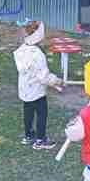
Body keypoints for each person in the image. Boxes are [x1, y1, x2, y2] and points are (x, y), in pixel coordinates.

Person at [14, 20, 63, 150]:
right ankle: (40, 140)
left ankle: (28, 136)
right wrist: (57, 81)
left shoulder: (21, 50)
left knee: (28, 112)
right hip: (37, 91)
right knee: (42, 114)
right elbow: (44, 77)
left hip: (25, 90)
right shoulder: (37, 54)